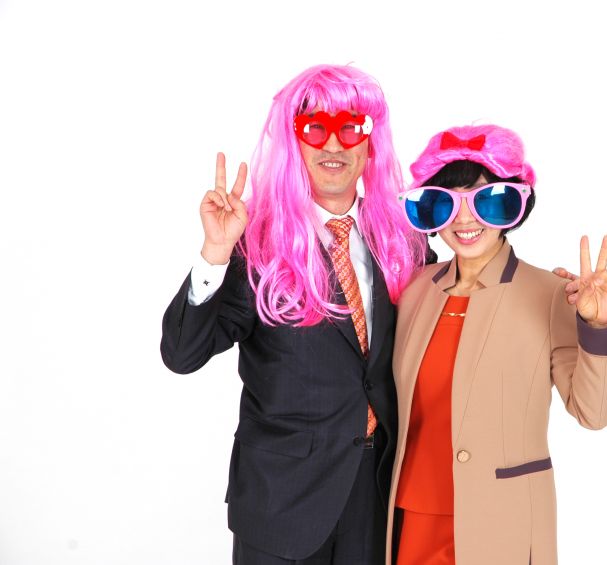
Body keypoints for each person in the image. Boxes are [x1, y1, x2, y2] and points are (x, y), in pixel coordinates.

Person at [160, 64, 426, 565]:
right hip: (280, 502)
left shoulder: (403, 240)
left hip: (374, 494)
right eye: (315, 129)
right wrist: (215, 253)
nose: (334, 145)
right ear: (293, 141)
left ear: (370, 142)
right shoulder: (257, 244)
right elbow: (181, 354)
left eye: (351, 128)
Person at [386, 124, 607, 565]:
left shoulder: (550, 294)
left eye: (485, 200)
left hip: (503, 524)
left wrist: (598, 325)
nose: (464, 220)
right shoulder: (415, 290)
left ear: (514, 206)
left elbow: (594, 413)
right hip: (414, 516)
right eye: (447, 201)